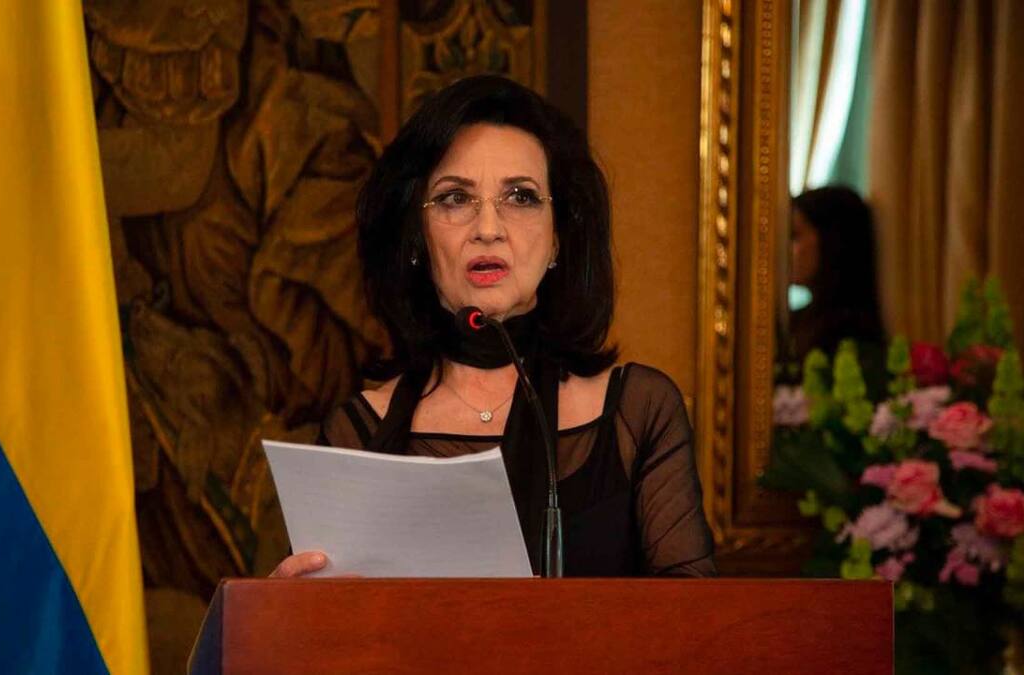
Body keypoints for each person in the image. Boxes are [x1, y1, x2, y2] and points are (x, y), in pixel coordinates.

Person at [270, 75, 716, 578]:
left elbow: (695, 618)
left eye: (521, 197)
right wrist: (286, 610)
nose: (487, 229)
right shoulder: (356, 434)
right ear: (416, 237)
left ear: (558, 238)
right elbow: (323, 621)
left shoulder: (638, 413)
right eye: (454, 198)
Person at [787, 186, 887, 392]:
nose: (786, 250)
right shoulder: (796, 321)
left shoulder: (853, 335)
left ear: (830, 240)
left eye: (795, 236)